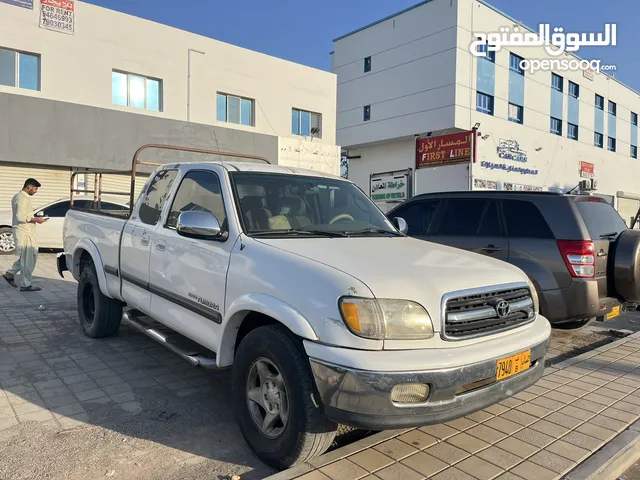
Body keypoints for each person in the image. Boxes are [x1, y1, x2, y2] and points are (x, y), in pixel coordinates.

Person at [2, 178, 47, 292]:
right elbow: (21, 218)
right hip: (24, 232)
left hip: (23, 231)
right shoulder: (22, 199)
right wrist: (37, 219)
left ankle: (10, 274)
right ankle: (25, 285)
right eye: (35, 188)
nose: (36, 191)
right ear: (29, 187)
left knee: (26, 258)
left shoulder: (18, 196)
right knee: (29, 259)